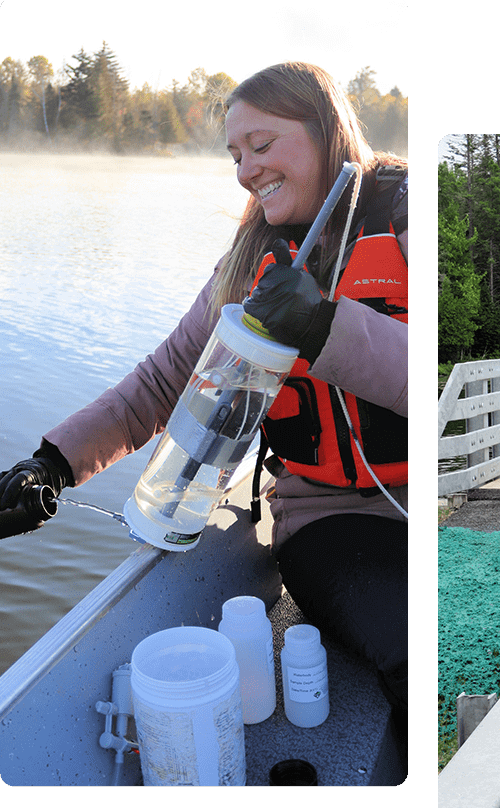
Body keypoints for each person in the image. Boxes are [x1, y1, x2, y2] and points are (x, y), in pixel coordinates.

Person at [0, 62, 408, 753]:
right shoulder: (247, 260)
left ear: (326, 130)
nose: (247, 168)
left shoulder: (400, 213)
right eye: (235, 153)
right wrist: (53, 464)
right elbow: (160, 384)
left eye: (263, 143)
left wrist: (322, 326)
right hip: (329, 519)